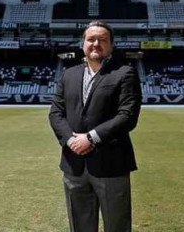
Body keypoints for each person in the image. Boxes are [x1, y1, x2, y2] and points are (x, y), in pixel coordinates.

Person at [48, 20, 142, 232]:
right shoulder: (68, 74)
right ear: (83, 43)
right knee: (80, 227)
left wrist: (90, 138)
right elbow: (56, 113)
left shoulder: (124, 73)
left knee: (117, 226)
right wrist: (72, 140)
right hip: (74, 164)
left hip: (111, 165)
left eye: (102, 40)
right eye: (91, 39)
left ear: (111, 45)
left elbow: (127, 115)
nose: (96, 44)